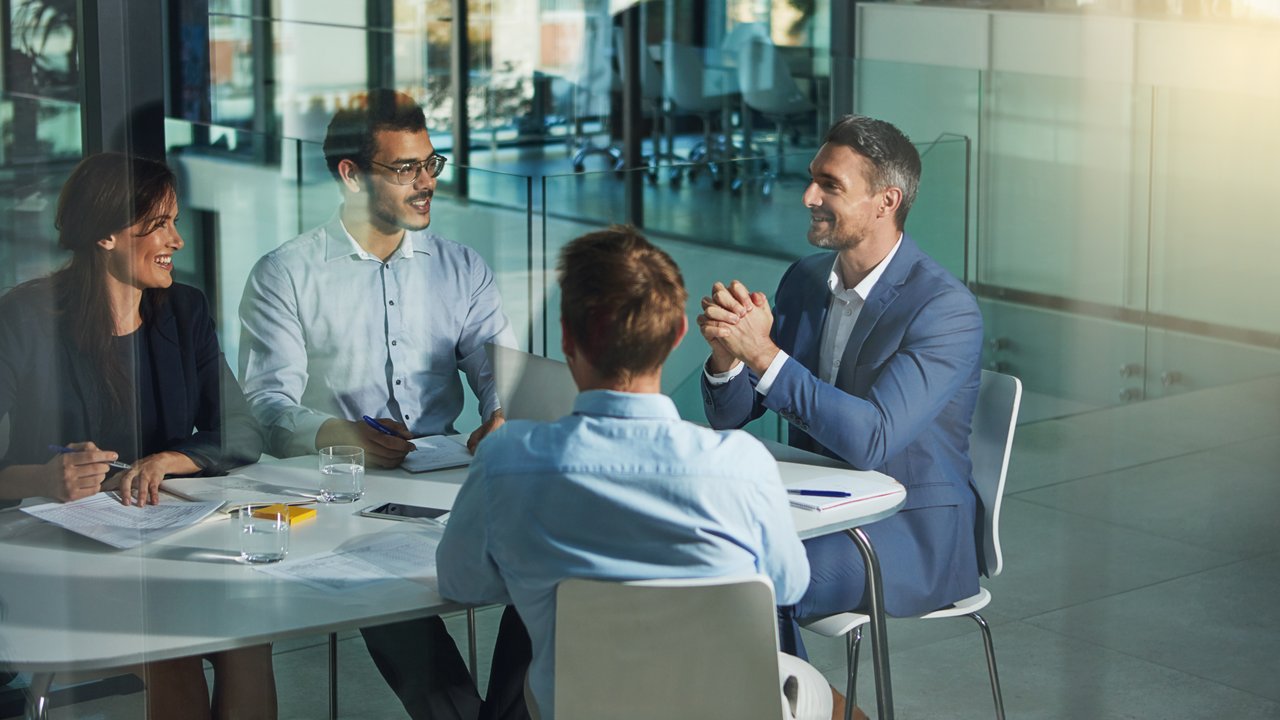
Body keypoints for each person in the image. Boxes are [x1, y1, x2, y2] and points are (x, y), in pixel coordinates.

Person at [438, 226, 831, 720]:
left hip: (580, 711)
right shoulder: (741, 465)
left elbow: (461, 582)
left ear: (567, 338)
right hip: (721, 709)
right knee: (809, 688)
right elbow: (789, 587)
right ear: (678, 335)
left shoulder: (505, 461)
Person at [237, 89, 521, 719]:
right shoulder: (285, 274)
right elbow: (264, 404)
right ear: (351, 175)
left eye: (430, 163)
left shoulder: (461, 268)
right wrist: (339, 433)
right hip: (347, 495)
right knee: (381, 589)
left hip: (451, 479)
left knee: (550, 561)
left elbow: (500, 371)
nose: (426, 183)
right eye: (406, 168)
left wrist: (502, 413)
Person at [698, 115, 985, 692]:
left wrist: (764, 355)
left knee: (753, 581)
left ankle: (802, 708)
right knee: (693, 560)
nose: (809, 196)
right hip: (813, 510)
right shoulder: (805, 280)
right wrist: (728, 356)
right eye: (813, 178)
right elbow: (729, 416)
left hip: (907, 532)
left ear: (886, 202)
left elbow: (872, 439)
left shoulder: (944, 309)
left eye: (830, 185)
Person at [0, 152, 275, 719]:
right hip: (58, 550)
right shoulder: (25, 316)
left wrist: (168, 459)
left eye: (174, 222)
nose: (177, 240)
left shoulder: (185, 310)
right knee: (171, 649)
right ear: (105, 235)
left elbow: (242, 429)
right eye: (159, 224)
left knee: (248, 635)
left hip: (162, 539)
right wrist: (44, 479)